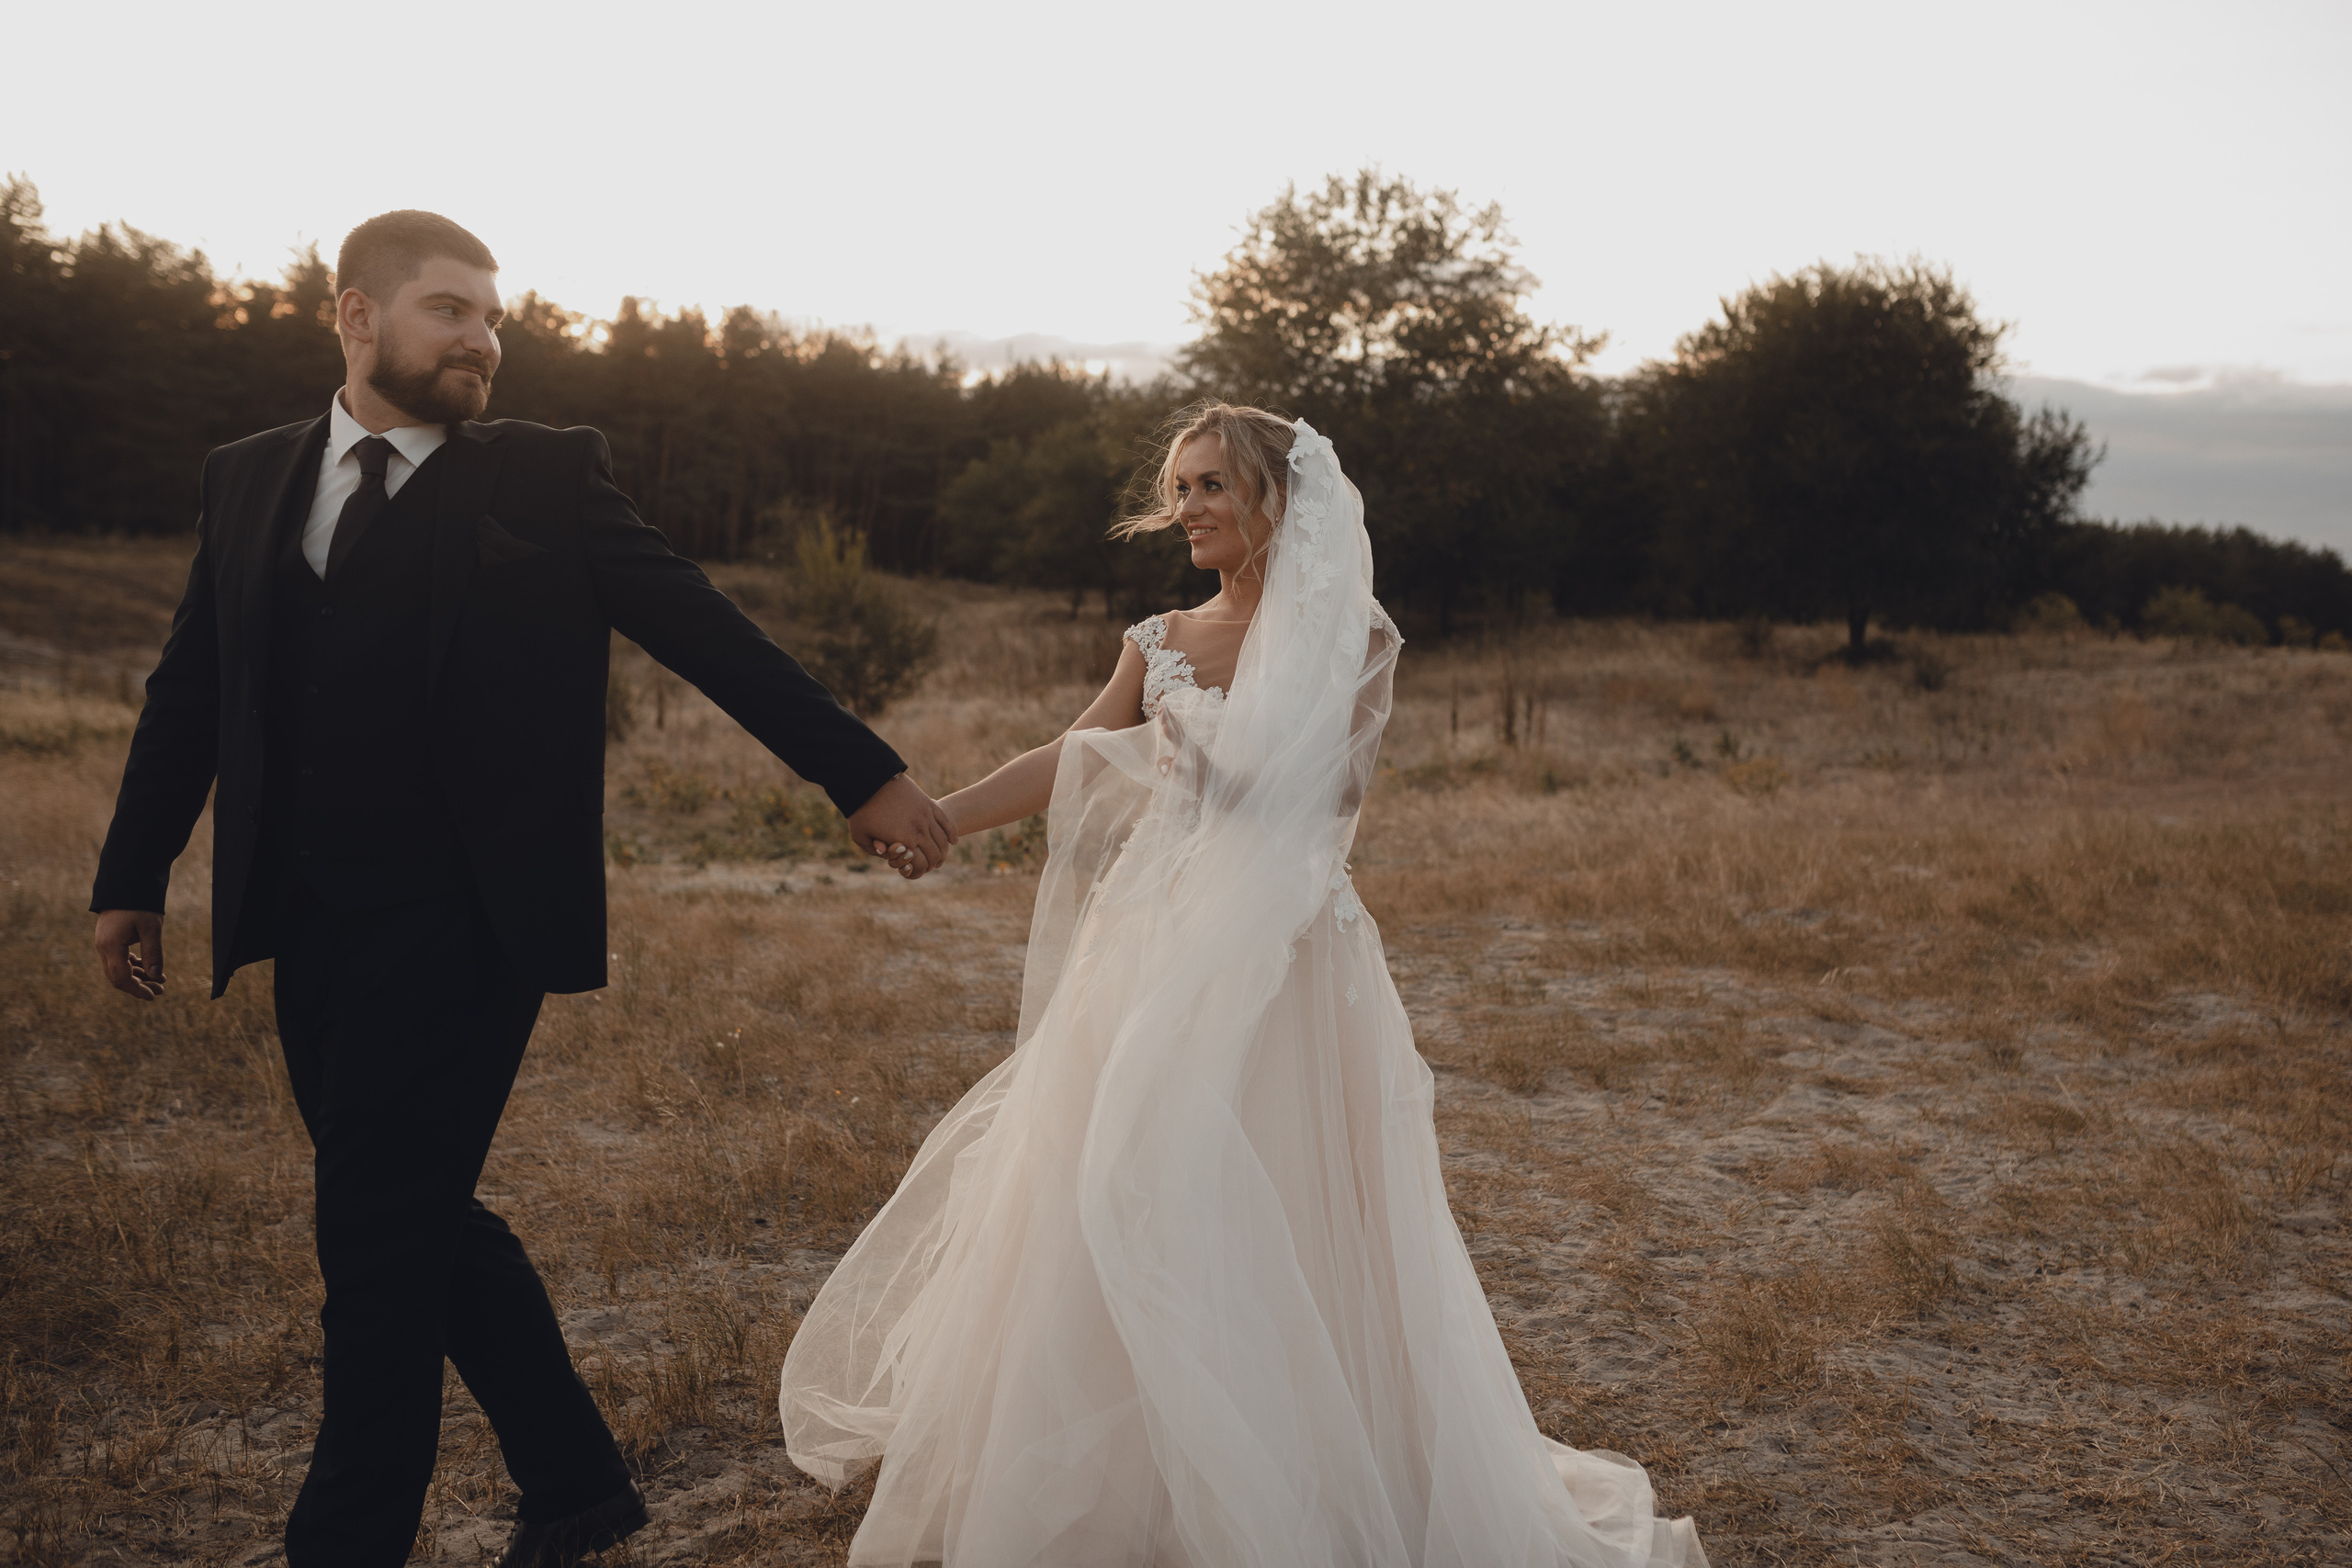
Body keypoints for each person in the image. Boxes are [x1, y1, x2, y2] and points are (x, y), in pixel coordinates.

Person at [87, 209, 956, 1568]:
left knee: (372, 1244)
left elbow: (704, 626)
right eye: (451, 311)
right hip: (305, 910)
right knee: (408, 1204)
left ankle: (347, 1539)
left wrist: (863, 774)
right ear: (356, 316)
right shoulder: (246, 476)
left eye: (495, 317)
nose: (484, 340)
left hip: (467, 917)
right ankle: (575, 1482)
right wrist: (132, 873)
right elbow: (191, 689)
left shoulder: (546, 477)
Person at [779, 403, 1708, 1566]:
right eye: (1178, 488)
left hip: (1283, 952)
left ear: (1276, 496)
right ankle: (1126, 1473)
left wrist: (1224, 770)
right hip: (1151, 938)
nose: (1189, 508)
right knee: (1111, 1173)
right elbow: (1077, 753)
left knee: (1274, 1187)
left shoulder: (1352, 637)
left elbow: (1332, 800)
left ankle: (1300, 1464)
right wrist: (945, 820)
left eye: (1212, 484)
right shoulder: (1157, 635)